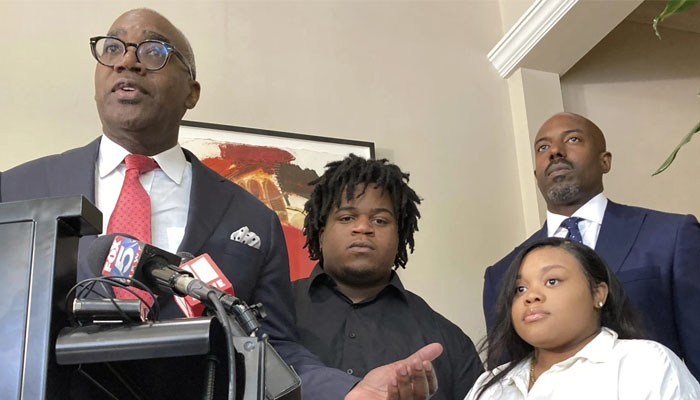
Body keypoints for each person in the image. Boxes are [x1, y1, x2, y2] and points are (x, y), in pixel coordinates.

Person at [0, 8, 441, 399]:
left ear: (191, 92)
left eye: (154, 52)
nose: (127, 60)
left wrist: (346, 391)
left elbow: (270, 345)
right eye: (113, 48)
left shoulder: (252, 219)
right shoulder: (18, 191)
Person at [482, 112, 700, 379]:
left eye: (572, 139)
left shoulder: (672, 235)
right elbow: (510, 378)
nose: (555, 152)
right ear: (536, 172)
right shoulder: (502, 274)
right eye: (543, 147)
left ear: (604, 161)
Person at [292, 155, 483, 400]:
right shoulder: (274, 314)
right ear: (321, 235)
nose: (363, 227)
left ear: (399, 239)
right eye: (347, 217)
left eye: (379, 220)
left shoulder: (447, 340)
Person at [468, 237, 700, 399]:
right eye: (519, 289)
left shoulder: (644, 363)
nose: (531, 296)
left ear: (598, 293)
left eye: (552, 281)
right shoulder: (490, 384)